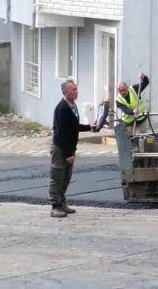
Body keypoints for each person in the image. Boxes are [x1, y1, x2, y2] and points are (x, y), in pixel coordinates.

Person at [50, 79, 96, 218]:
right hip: (61, 148)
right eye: (73, 89)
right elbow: (62, 133)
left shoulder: (72, 105)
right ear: (65, 92)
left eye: (76, 88)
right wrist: (68, 153)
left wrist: (89, 127)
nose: (76, 91)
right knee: (57, 177)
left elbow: (73, 126)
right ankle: (55, 206)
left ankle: (62, 202)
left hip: (70, 147)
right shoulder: (62, 108)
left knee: (66, 177)